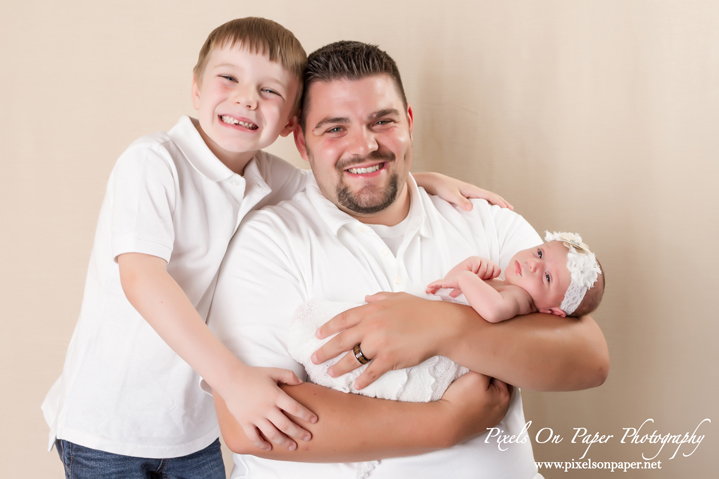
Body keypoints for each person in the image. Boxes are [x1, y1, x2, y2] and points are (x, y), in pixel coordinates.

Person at [42, 19, 503, 479]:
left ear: (288, 124)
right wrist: (233, 380)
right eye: (229, 78)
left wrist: (423, 182)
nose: (246, 98)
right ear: (197, 90)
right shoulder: (155, 161)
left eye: (269, 91)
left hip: (191, 432)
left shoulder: (269, 178)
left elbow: (344, 178)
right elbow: (141, 277)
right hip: (108, 427)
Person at [208, 40, 609, 479]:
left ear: (409, 122)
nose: (364, 145)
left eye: (382, 121)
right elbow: (251, 427)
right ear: (301, 140)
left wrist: (442, 327)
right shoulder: (268, 241)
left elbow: (587, 358)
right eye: (335, 128)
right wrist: (448, 422)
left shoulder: (485, 220)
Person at [426, 231, 606, 321]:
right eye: (540, 254)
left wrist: (465, 277)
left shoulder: (521, 299)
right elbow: (449, 293)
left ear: (551, 311)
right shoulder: (505, 286)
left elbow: (493, 311)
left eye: (547, 277)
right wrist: (468, 266)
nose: (533, 263)